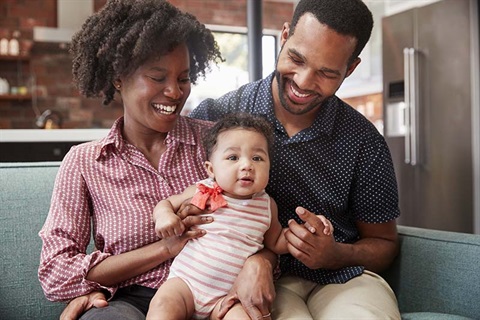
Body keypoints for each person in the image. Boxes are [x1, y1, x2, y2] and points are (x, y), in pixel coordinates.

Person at [189, 0, 402, 319]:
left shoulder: (363, 140)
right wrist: (258, 257)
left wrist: (334, 254)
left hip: (342, 279)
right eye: (296, 58)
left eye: (327, 73)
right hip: (243, 279)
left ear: (351, 68)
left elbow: (384, 243)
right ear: (285, 35)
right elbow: (182, 211)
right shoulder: (214, 117)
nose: (303, 81)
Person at [38, 0, 223, 319]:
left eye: (183, 78)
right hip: (132, 300)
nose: (175, 92)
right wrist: (164, 249)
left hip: (215, 293)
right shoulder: (85, 162)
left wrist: (260, 264)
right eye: (157, 77)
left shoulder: (216, 143)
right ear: (118, 78)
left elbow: (258, 219)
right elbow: (56, 272)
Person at [146, 113, 333, 320]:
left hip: (230, 297)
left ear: (269, 166)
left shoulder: (266, 205)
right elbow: (167, 203)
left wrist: (307, 230)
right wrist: (164, 216)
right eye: (233, 158)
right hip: (186, 285)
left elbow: (276, 242)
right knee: (163, 305)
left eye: (257, 158)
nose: (247, 165)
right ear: (211, 169)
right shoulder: (203, 189)